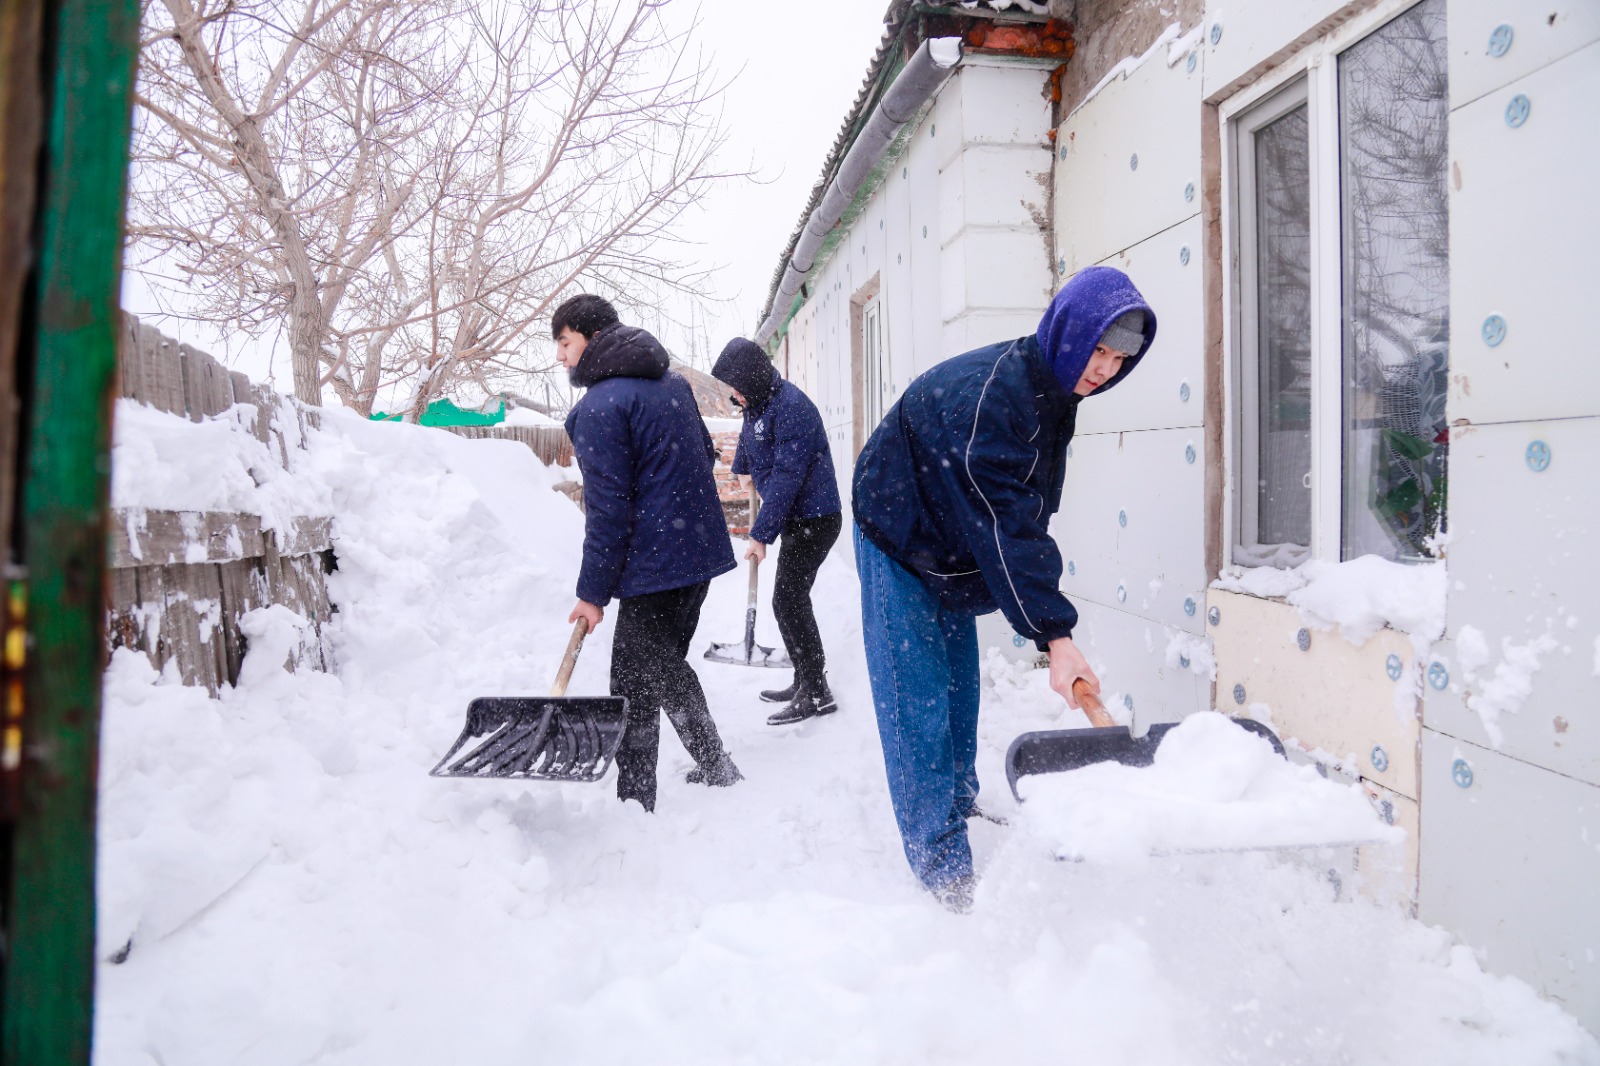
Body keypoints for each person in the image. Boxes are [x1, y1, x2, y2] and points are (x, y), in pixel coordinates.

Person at [851, 266, 1156, 909]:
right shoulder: (995, 402)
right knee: (917, 697)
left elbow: (1013, 513)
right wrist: (1055, 634)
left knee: (960, 681)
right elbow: (1005, 523)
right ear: (1067, 333)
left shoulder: (1050, 390)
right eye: (1097, 350)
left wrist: (1043, 621)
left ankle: (959, 800)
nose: (1103, 369)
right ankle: (942, 864)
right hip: (899, 529)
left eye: (1118, 358)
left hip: (946, 530)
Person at [556, 294, 742, 811]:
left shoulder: (598, 407)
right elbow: (705, 455)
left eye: (565, 343)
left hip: (657, 564)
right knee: (658, 666)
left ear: (589, 338)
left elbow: (608, 511)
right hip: (697, 554)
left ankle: (638, 801)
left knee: (638, 675)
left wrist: (592, 594)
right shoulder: (672, 385)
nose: (560, 356)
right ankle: (710, 766)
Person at [710, 338, 843, 725]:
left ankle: (817, 692)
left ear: (751, 378)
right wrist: (742, 470)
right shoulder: (758, 404)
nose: (733, 393)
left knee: (788, 600)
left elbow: (788, 477)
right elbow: (751, 439)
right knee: (790, 599)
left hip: (815, 520)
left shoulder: (792, 408)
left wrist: (761, 534)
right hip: (797, 519)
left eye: (735, 385)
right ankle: (805, 680)